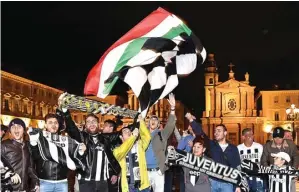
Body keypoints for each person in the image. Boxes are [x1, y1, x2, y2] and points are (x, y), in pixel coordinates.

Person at [56, 101, 121, 192]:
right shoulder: (81, 137)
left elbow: (122, 132)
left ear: (98, 124)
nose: (91, 124)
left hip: (102, 181)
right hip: (85, 181)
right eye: (88, 122)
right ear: (86, 125)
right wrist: (65, 111)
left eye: (94, 121)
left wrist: (137, 122)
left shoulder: (106, 138)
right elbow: (71, 127)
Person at [186, 113, 241, 192]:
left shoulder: (233, 149)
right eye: (215, 131)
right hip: (213, 182)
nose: (216, 133)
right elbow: (201, 133)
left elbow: (237, 168)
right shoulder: (212, 145)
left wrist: (237, 186)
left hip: (227, 184)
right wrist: (191, 120)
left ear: (225, 133)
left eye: (219, 131)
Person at [29, 113, 69, 192]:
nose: (53, 125)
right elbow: (34, 157)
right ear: (46, 125)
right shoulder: (40, 139)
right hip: (44, 181)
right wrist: (33, 144)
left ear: (58, 125)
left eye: (55, 122)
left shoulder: (64, 140)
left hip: (62, 181)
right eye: (50, 122)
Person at [145, 93, 176, 192]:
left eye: (156, 120)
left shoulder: (161, 134)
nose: (153, 120)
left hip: (158, 171)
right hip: (144, 171)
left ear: (158, 124)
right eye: (151, 119)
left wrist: (173, 108)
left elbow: (170, 125)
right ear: (148, 123)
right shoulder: (142, 135)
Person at [113, 114, 151, 192]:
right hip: (128, 187)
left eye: (129, 131)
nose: (128, 132)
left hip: (142, 186)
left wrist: (141, 122)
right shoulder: (117, 149)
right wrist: (133, 137)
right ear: (121, 137)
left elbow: (147, 137)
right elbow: (122, 151)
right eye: (125, 131)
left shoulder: (139, 145)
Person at [1, 118, 39, 191]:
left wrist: (36, 182)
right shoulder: (3, 145)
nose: (16, 129)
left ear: (24, 130)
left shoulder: (27, 146)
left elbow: (30, 167)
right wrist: (9, 172)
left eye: (19, 126)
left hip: (24, 188)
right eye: (13, 127)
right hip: (9, 188)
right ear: (10, 131)